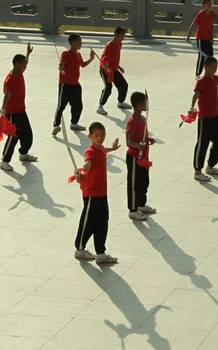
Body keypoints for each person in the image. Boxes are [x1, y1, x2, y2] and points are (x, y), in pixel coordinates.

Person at [74, 122, 121, 264]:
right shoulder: (91, 152)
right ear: (90, 136)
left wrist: (112, 148)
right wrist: (81, 173)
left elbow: (104, 150)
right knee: (88, 223)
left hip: (102, 194)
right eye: (96, 136)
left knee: (102, 222)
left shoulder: (101, 149)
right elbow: (87, 164)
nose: (100, 138)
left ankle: (100, 253)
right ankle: (80, 249)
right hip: (91, 195)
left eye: (102, 135)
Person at [189, 56, 218, 181]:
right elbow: (196, 94)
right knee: (202, 145)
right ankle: (197, 172)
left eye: (216, 67)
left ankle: (210, 166)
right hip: (205, 118)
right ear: (205, 67)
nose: (215, 70)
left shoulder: (214, 79)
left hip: (216, 116)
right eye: (213, 67)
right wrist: (191, 107)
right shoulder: (201, 81)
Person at [0, 43, 37, 172]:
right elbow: (7, 95)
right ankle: (4, 161)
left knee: (27, 133)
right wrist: (3, 109)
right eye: (24, 64)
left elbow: (24, 63)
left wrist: (28, 54)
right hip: (12, 113)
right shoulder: (10, 79)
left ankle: (23, 153)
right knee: (13, 136)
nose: (26, 67)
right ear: (17, 64)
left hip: (21, 110)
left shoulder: (19, 72)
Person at [53, 34, 95, 136]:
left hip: (76, 84)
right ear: (72, 43)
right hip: (65, 84)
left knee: (78, 106)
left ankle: (74, 123)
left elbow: (83, 65)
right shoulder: (66, 54)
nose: (81, 43)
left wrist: (91, 59)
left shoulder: (78, 54)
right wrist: (61, 67)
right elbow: (62, 64)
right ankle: (56, 125)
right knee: (61, 106)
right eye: (79, 41)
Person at [125, 92, 157, 221]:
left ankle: (141, 204)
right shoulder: (132, 122)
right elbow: (129, 141)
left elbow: (142, 136)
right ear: (139, 105)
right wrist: (138, 146)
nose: (147, 105)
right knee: (134, 183)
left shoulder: (143, 119)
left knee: (144, 181)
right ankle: (133, 209)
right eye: (145, 102)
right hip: (134, 157)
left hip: (144, 156)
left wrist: (148, 139)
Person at [97, 27, 131, 115]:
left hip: (114, 69)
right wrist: (106, 65)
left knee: (124, 85)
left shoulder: (119, 44)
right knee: (108, 87)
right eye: (121, 35)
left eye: (124, 35)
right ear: (115, 34)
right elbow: (104, 57)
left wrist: (118, 66)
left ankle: (120, 102)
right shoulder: (109, 45)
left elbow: (114, 57)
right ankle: (100, 106)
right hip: (106, 70)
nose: (123, 37)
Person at [186, 0, 215, 79]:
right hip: (201, 38)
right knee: (201, 56)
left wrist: (212, 38)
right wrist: (188, 36)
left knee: (210, 56)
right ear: (203, 5)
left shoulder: (212, 13)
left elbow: (212, 26)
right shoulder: (200, 14)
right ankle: (198, 74)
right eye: (207, 3)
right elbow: (193, 24)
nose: (209, 5)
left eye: (210, 3)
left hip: (208, 38)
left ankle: (210, 73)